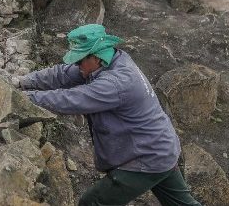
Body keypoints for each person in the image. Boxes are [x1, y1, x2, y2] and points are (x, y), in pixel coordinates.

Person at [14, 24, 202, 206]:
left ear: (95, 57)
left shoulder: (116, 83)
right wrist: (24, 82)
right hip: (161, 146)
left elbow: (72, 99)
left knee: (92, 202)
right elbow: (63, 74)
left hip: (147, 156)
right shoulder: (110, 60)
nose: (76, 65)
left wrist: (26, 98)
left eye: (79, 60)